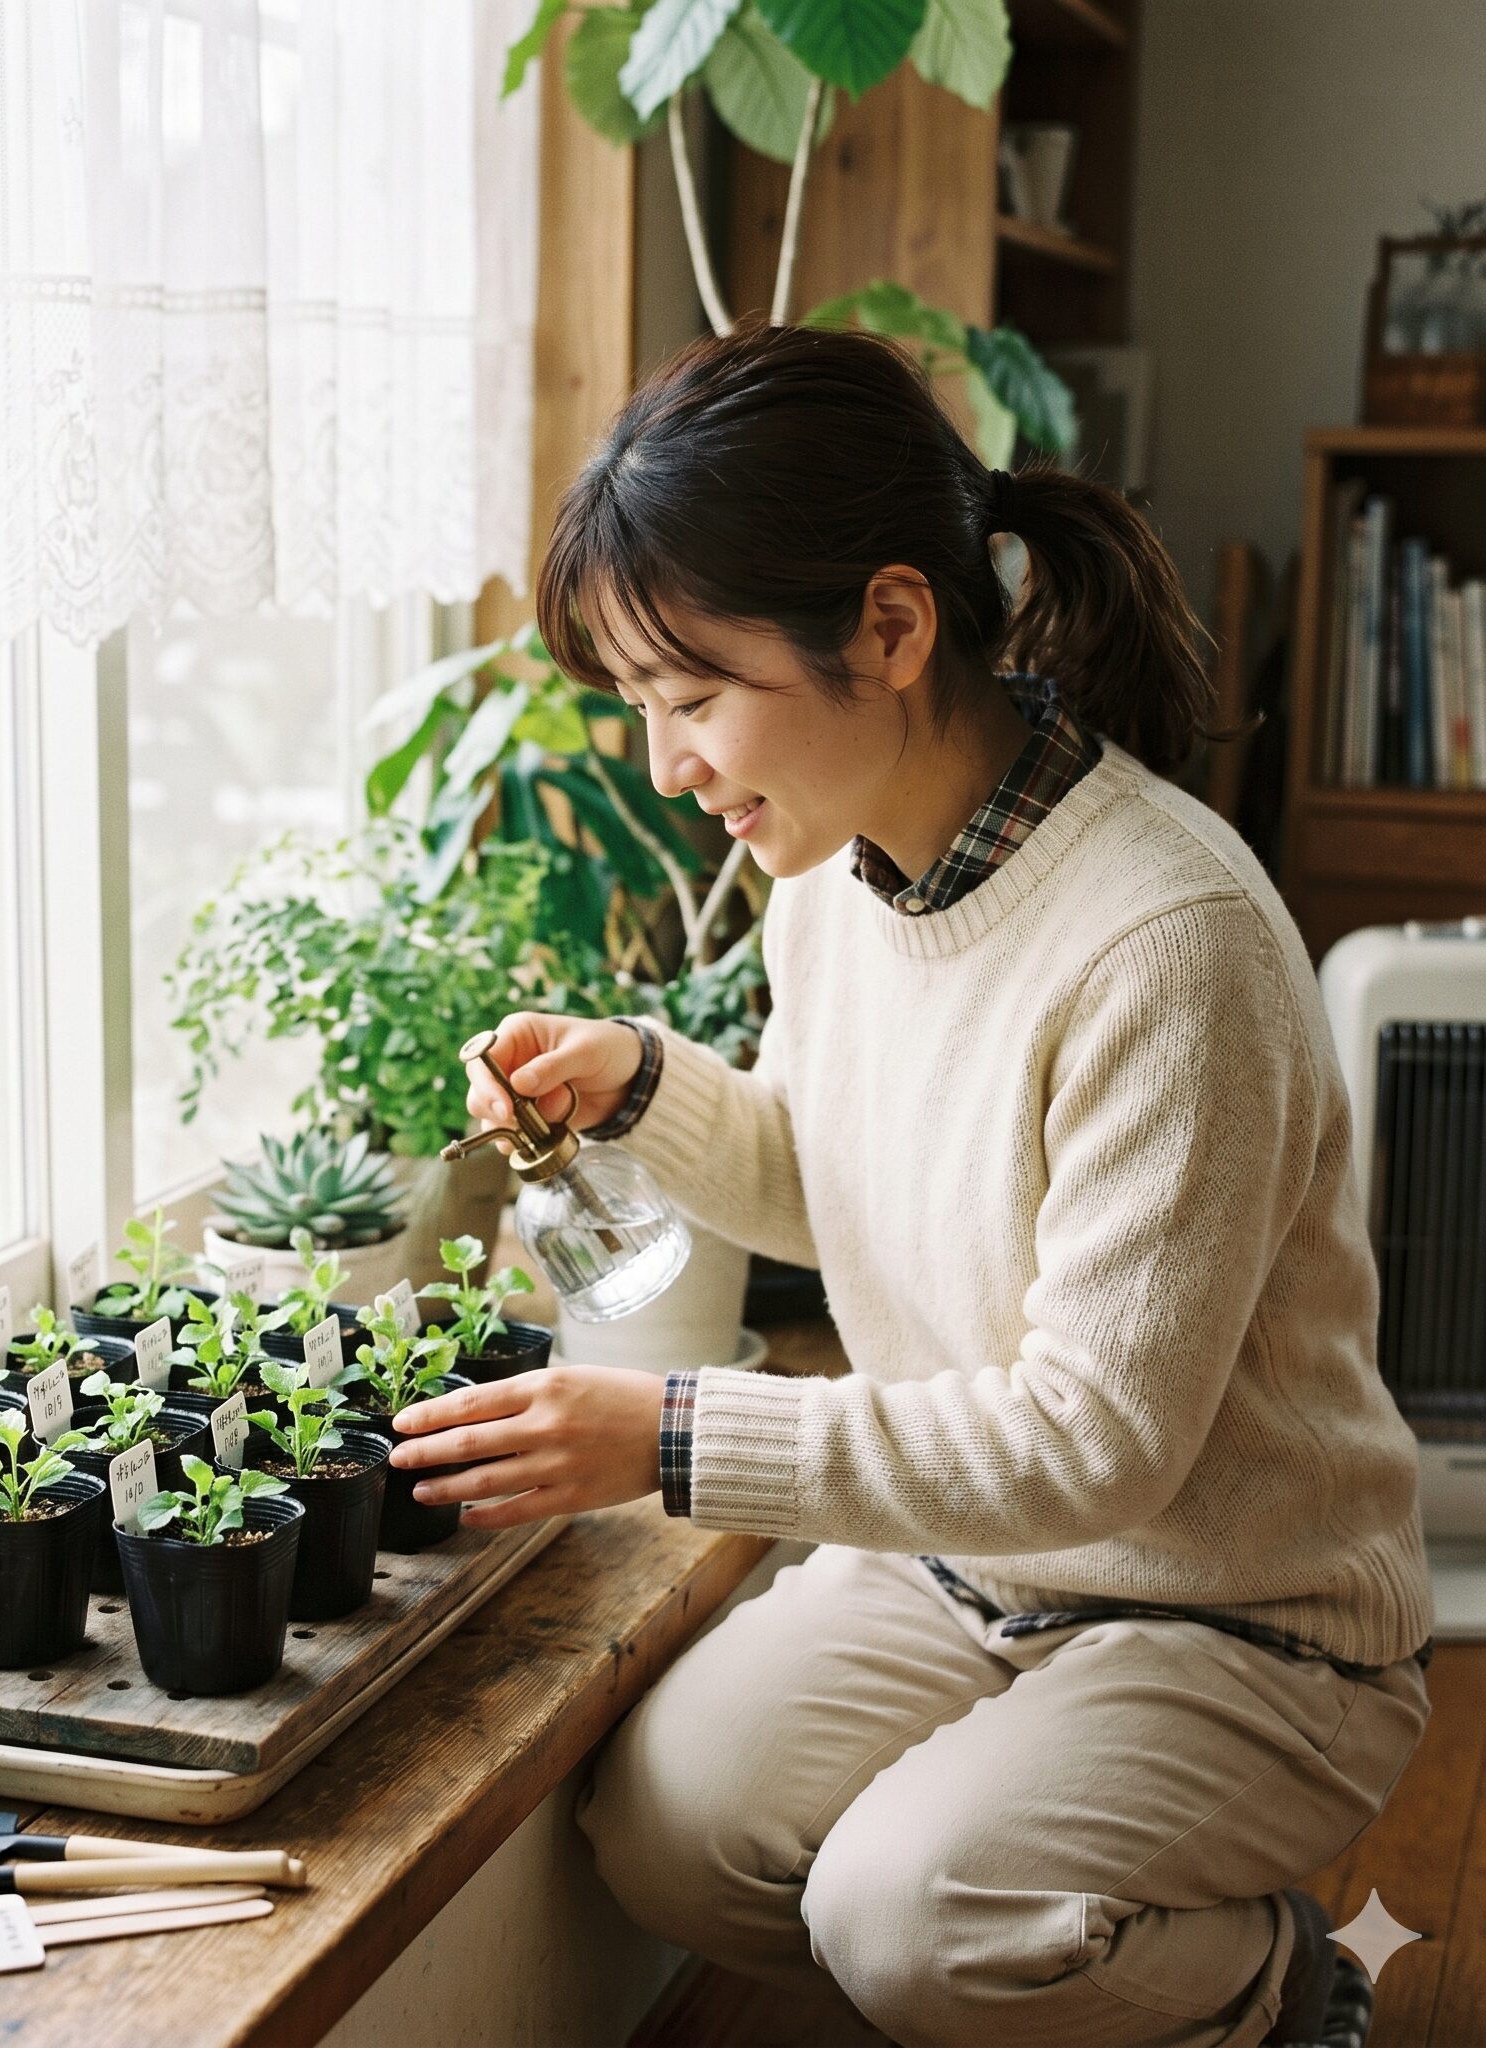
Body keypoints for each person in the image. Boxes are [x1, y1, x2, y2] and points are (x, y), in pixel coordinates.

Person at [383, 322, 1431, 2048]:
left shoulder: (1169, 946)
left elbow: (1096, 1443)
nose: (669, 764)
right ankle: (1068, 1903)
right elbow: (842, 1190)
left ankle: (1272, 1986)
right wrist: (645, 1083)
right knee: (665, 1839)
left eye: (696, 696)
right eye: (645, 707)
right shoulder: (839, 870)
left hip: (1242, 1626)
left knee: (911, 1920)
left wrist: (666, 1437)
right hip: (979, 1571)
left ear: (889, 625)